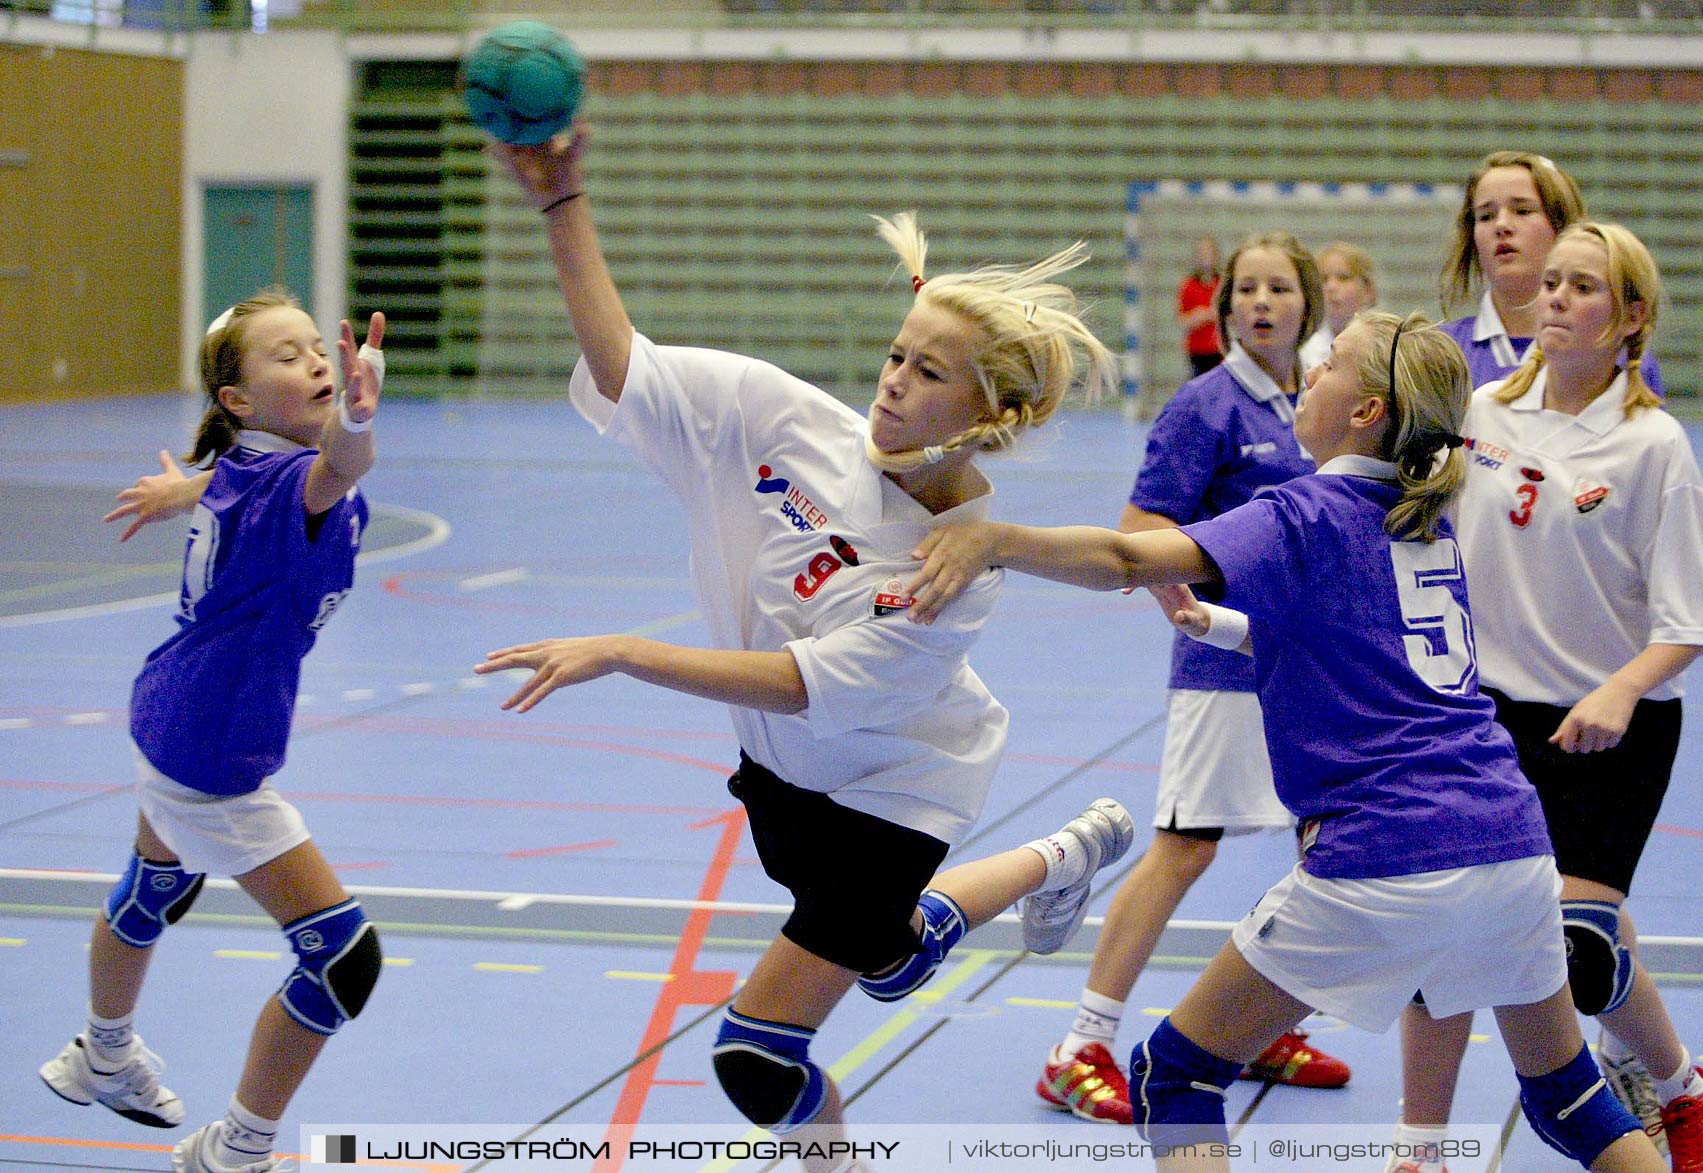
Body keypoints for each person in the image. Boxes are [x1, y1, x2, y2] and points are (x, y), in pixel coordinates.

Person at [474, 126, 1133, 1173]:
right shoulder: (785, 421)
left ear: (988, 415)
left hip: (892, 795)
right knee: (889, 962)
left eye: (929, 375)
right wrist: (564, 205)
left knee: (757, 1056)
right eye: (895, 356)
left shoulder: (955, 575)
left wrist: (625, 652)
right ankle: (1072, 852)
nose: (892, 384)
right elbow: (626, 367)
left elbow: (795, 685)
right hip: (786, 780)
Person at [903, 310, 1668, 1173]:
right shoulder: (1421, 518)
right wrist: (1224, 628)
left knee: (1175, 1075)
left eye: (1331, 360)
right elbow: (1363, 652)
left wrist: (993, 538)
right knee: (1568, 1101)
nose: (1311, 367)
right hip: (1512, 843)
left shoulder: (1307, 510)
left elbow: (1124, 557)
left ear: (1365, 410)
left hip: (1385, 851)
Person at [1389, 224, 1703, 1173]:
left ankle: (1681, 1089)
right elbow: (1422, 541)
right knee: (1445, 935)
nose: (1554, 300)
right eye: (1550, 284)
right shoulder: (1487, 415)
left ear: (1629, 317)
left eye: (1582, 287)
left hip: (1607, 728)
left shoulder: (1652, 444)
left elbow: (1691, 620)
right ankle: (1421, 1152)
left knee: (1578, 951)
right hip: (1485, 722)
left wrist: (1621, 691)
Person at [39, 291, 388, 1173]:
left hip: (170, 706)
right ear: (237, 399)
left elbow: (239, 481)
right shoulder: (298, 477)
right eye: (287, 356)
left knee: (157, 884)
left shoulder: (247, 466)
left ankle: (102, 1053)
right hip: (210, 750)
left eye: (318, 346)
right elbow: (340, 469)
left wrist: (179, 489)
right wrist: (354, 414)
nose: (314, 360)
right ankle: (236, 1150)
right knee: (343, 959)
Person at [1034, 230, 1350, 1129]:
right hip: (1224, 665)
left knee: (1315, 842)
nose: (1259, 302)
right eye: (1245, 288)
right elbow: (1140, 526)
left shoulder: (1320, 396)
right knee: (1188, 844)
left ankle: (1265, 1018)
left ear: (1306, 306)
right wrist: (1191, 612)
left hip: (1306, 663)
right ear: (1226, 309)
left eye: (1277, 288)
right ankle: (1081, 1044)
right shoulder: (1207, 406)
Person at [1437, 150, 1662, 395]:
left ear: (1563, 225)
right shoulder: (1440, 352)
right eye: (1486, 216)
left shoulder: (1616, 354)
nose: (1501, 225)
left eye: (1522, 211)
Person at [1299, 240, 1378, 372]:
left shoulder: (1385, 345)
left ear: (1368, 290)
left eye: (1343, 278)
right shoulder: (1304, 350)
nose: (1331, 287)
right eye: (1323, 279)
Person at [1177, 236, 1224, 380]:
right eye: (1202, 254)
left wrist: (1213, 314)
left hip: (1219, 349)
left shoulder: (1222, 283)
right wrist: (1198, 316)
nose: (1206, 258)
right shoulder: (1188, 285)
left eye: (1209, 253)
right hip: (1197, 350)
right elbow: (1182, 320)